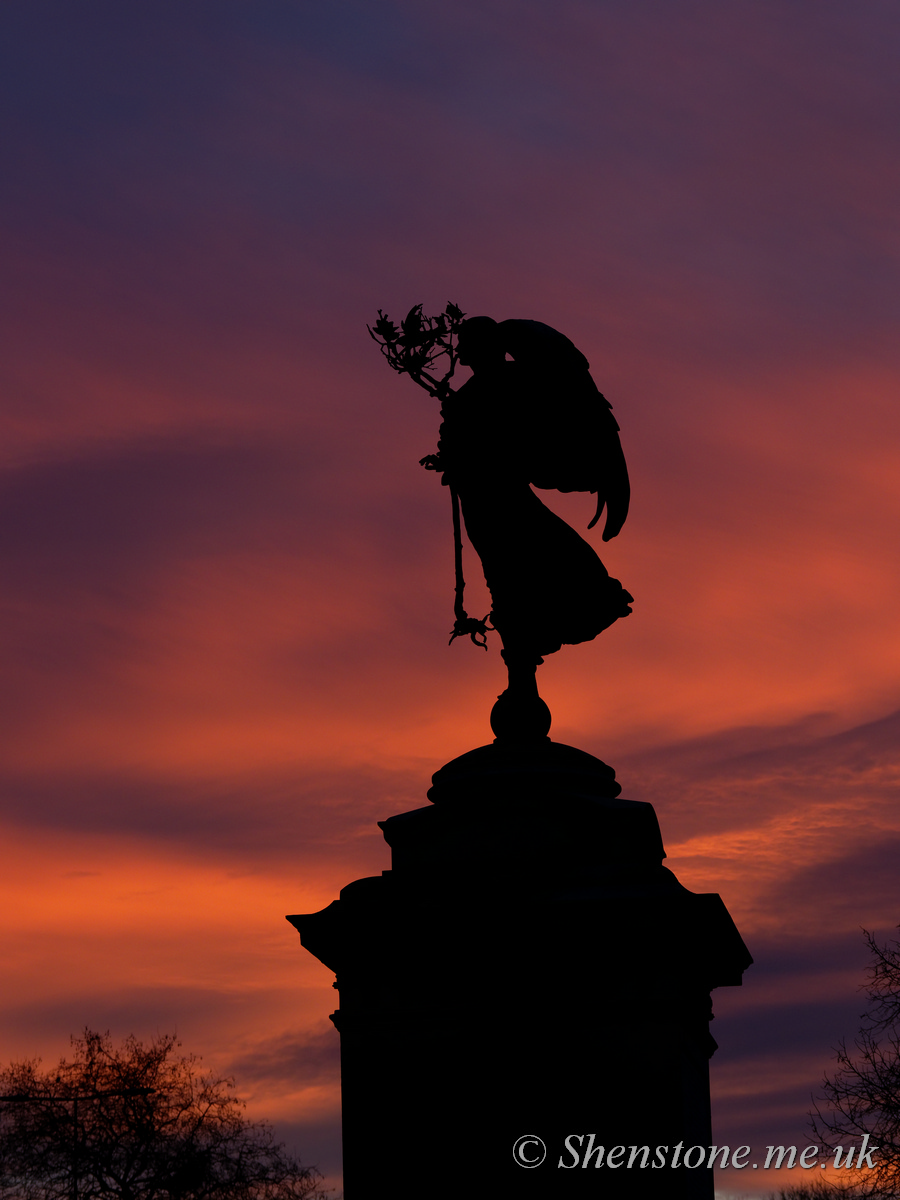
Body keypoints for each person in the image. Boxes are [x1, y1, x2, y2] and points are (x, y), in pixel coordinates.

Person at [427, 316, 633, 737]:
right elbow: (460, 448)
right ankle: (520, 667)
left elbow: (528, 437)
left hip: (507, 499)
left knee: (543, 571)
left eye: (468, 344)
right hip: (482, 502)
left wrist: (469, 437)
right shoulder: (468, 396)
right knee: (504, 581)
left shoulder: (518, 382)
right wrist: (453, 447)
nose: (462, 352)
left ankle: (524, 661)